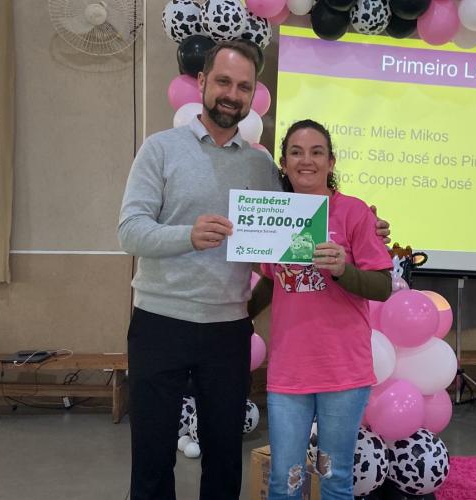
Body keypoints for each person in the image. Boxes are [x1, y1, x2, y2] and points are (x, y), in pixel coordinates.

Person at [118, 42, 389, 500]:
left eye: (243, 86)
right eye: (223, 81)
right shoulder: (159, 150)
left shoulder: (261, 165)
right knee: (151, 452)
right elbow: (130, 232)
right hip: (160, 323)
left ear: (252, 96)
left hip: (227, 329)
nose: (232, 93)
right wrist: (187, 234)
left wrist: (370, 226)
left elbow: (305, 211)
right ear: (202, 82)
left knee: (225, 455)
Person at [247, 120, 393, 500]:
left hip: (343, 372)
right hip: (289, 372)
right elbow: (271, 279)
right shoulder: (276, 214)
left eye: (316, 152)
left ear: (331, 162)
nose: (306, 160)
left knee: (335, 477)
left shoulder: (354, 213)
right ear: (284, 162)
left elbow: (382, 286)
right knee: (285, 480)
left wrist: (343, 270)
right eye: (296, 152)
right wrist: (238, 314)